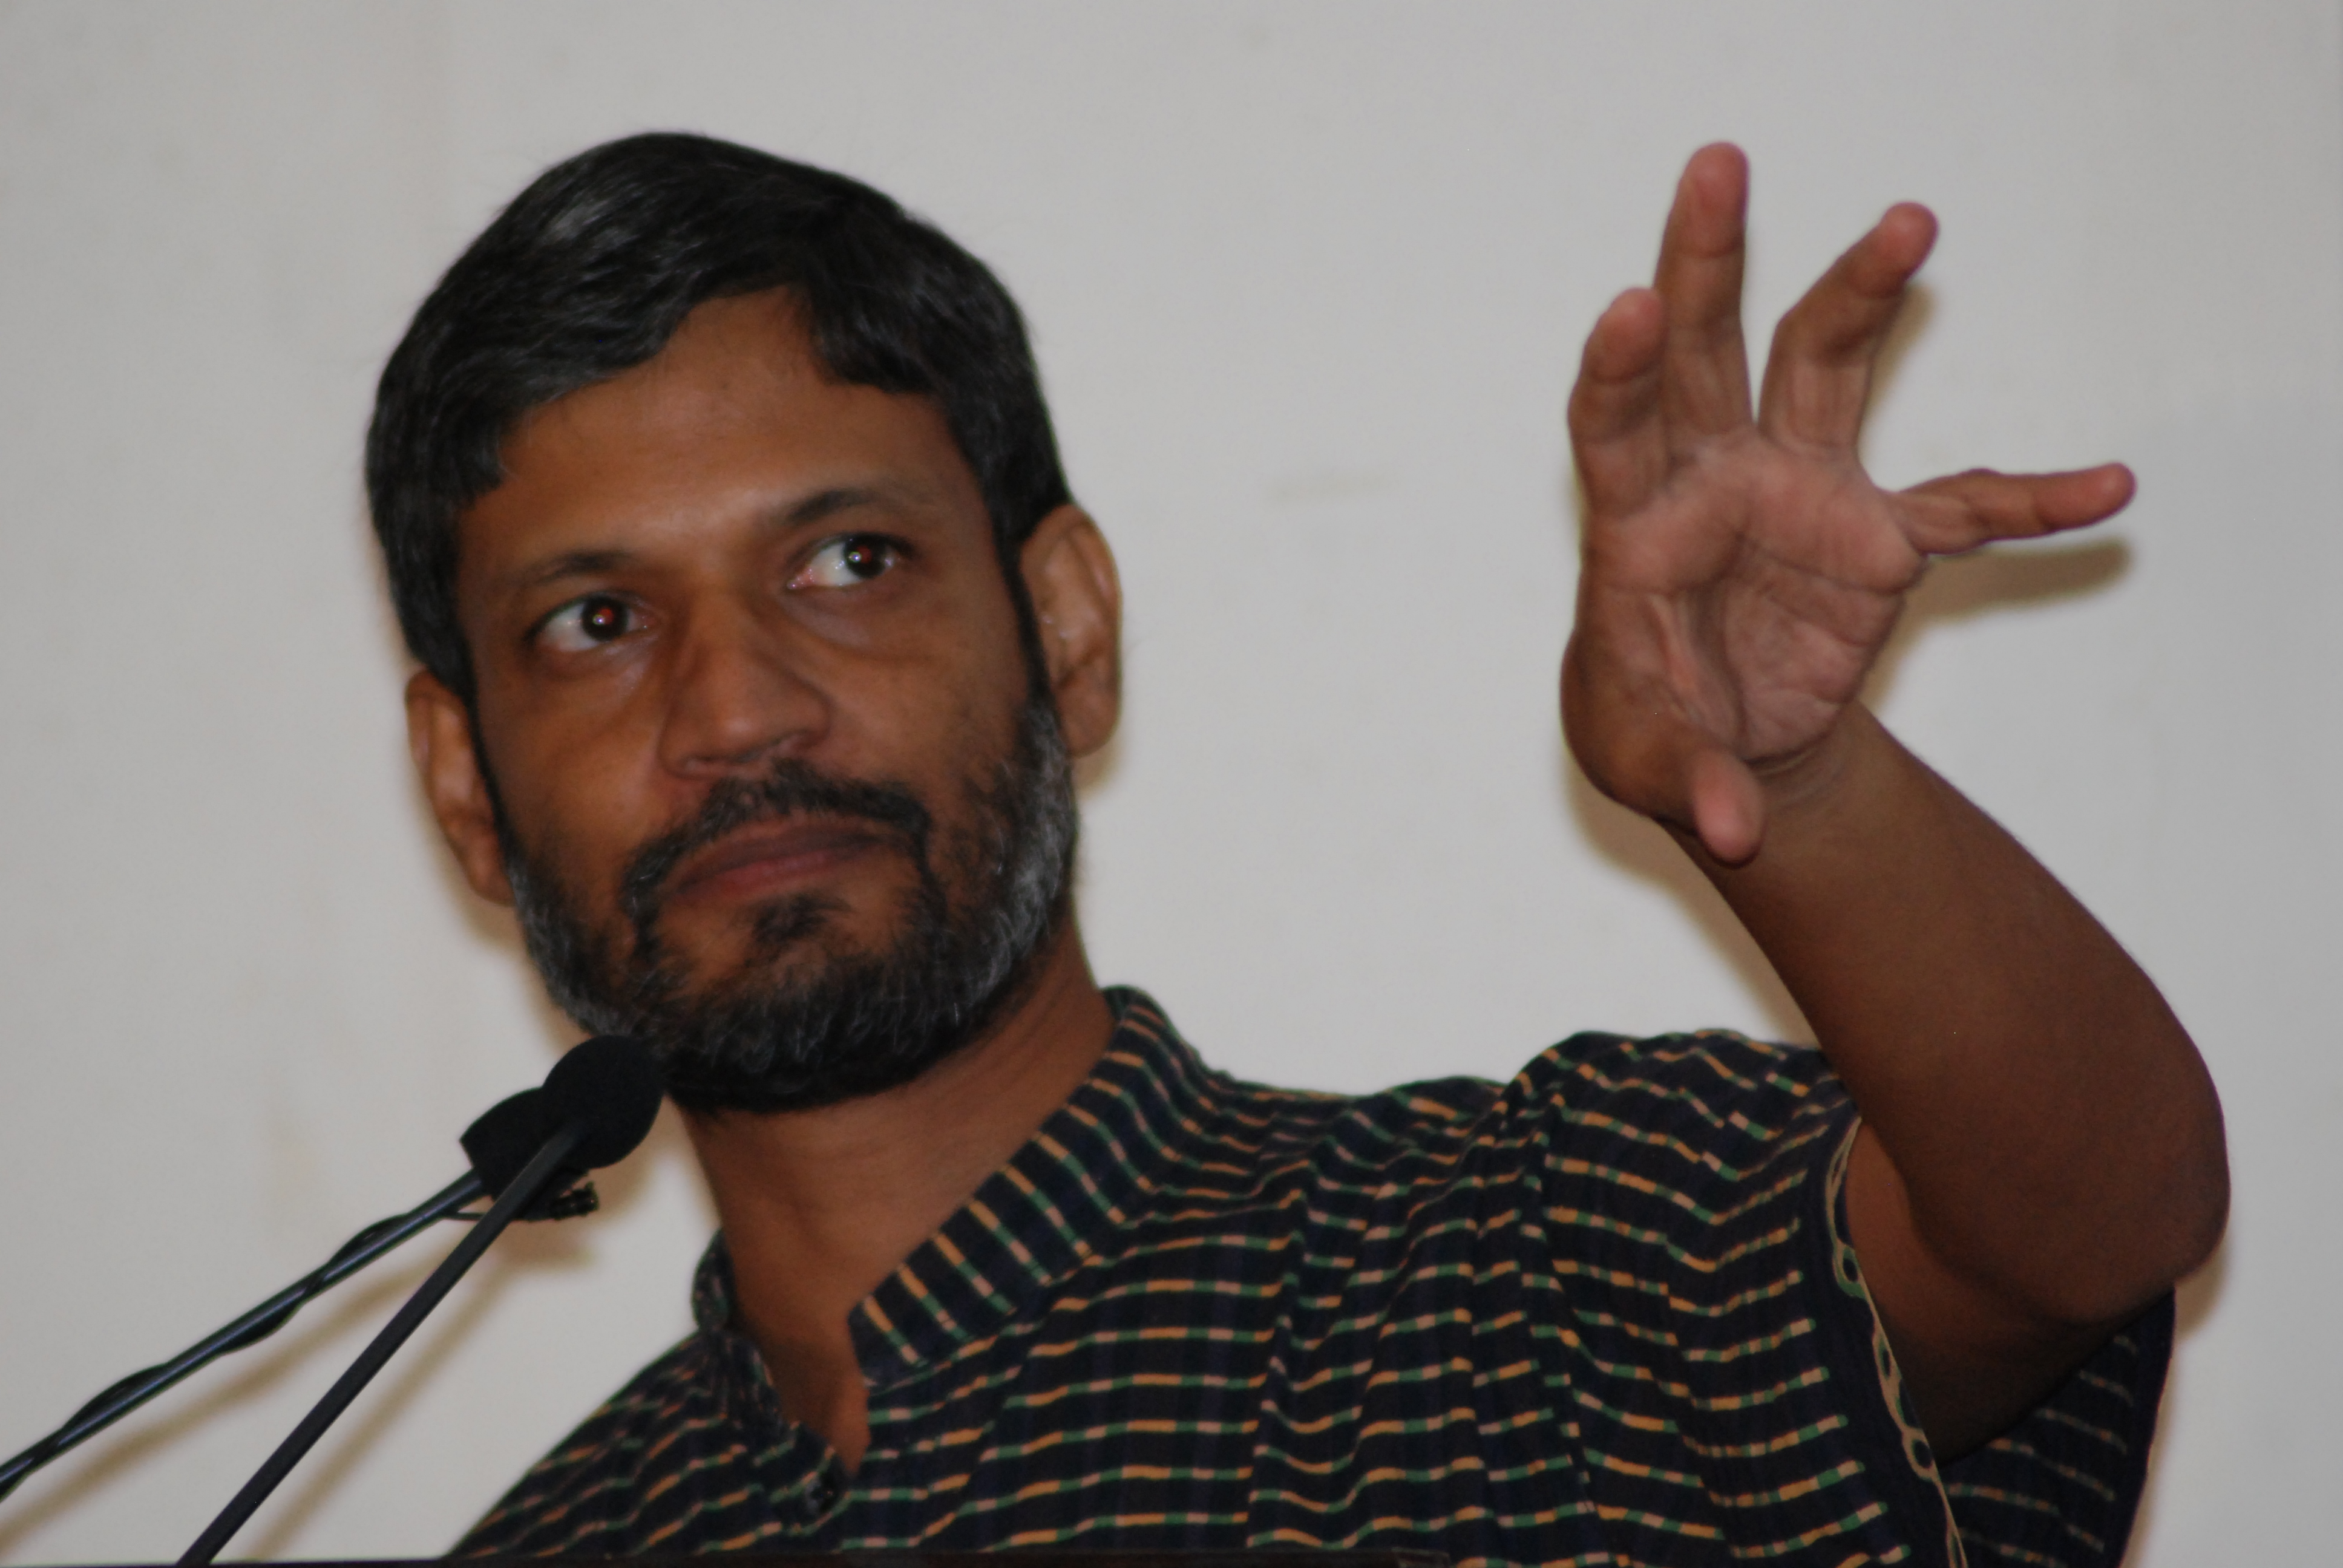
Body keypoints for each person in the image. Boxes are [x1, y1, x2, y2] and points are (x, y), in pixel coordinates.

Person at [369, 132, 2225, 1564]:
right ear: (466, 784)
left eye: (849, 562)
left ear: (1069, 631)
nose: (735, 712)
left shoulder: (1536, 1274)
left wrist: (1802, 793)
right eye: (594, 625)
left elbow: (2084, 1230)